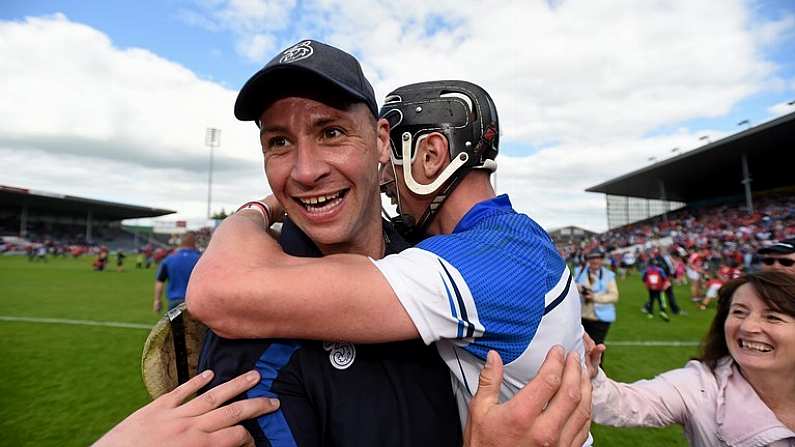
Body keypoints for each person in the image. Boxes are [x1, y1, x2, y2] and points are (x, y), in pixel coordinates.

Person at [194, 40, 588, 445]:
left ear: (383, 141)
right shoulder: (246, 338)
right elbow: (215, 293)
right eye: (279, 142)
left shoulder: (433, 260)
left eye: (331, 132)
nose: (305, 171)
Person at [585, 271, 795, 446]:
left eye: (772, 317)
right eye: (739, 312)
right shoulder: (699, 386)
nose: (747, 327)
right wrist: (591, 378)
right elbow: (624, 403)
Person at [575, 250, 619, 346]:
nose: (595, 261)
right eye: (592, 258)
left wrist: (594, 297)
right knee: (581, 347)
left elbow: (614, 296)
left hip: (601, 318)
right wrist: (579, 288)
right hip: (582, 316)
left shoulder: (608, 275)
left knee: (596, 347)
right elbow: (572, 287)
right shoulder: (579, 272)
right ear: (588, 260)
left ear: (602, 260)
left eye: (598, 258)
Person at [154, 232, 200, 312]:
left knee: (175, 324)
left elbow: (160, 282)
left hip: (175, 303)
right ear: (193, 242)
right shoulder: (200, 259)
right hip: (194, 303)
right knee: (193, 325)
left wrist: (157, 300)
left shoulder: (169, 259)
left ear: (181, 242)